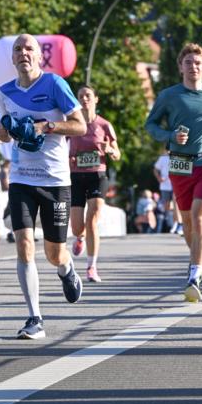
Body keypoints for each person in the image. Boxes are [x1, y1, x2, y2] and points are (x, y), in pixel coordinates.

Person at [0, 33, 86, 339]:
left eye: (29, 48)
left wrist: (46, 126)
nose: (23, 53)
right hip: (21, 178)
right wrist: (5, 130)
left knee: (53, 253)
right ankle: (34, 318)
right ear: (12, 58)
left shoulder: (54, 84)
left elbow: (80, 125)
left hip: (55, 179)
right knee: (24, 245)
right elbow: (5, 133)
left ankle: (66, 268)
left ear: (38, 56)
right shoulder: (4, 92)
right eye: (18, 49)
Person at [145, 42, 202, 303]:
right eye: (188, 63)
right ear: (181, 67)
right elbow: (151, 125)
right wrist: (171, 136)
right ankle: (197, 257)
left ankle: (195, 274)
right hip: (180, 164)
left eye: (198, 63)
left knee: (200, 215)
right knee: (187, 222)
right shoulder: (169, 95)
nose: (193, 67)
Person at [68, 85, 120, 282]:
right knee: (76, 227)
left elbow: (117, 154)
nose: (84, 99)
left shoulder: (104, 125)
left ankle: (91, 267)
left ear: (96, 99)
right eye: (81, 96)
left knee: (92, 219)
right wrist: (68, 159)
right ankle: (79, 237)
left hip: (97, 175)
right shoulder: (72, 124)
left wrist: (110, 150)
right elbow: (60, 147)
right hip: (75, 177)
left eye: (88, 95)